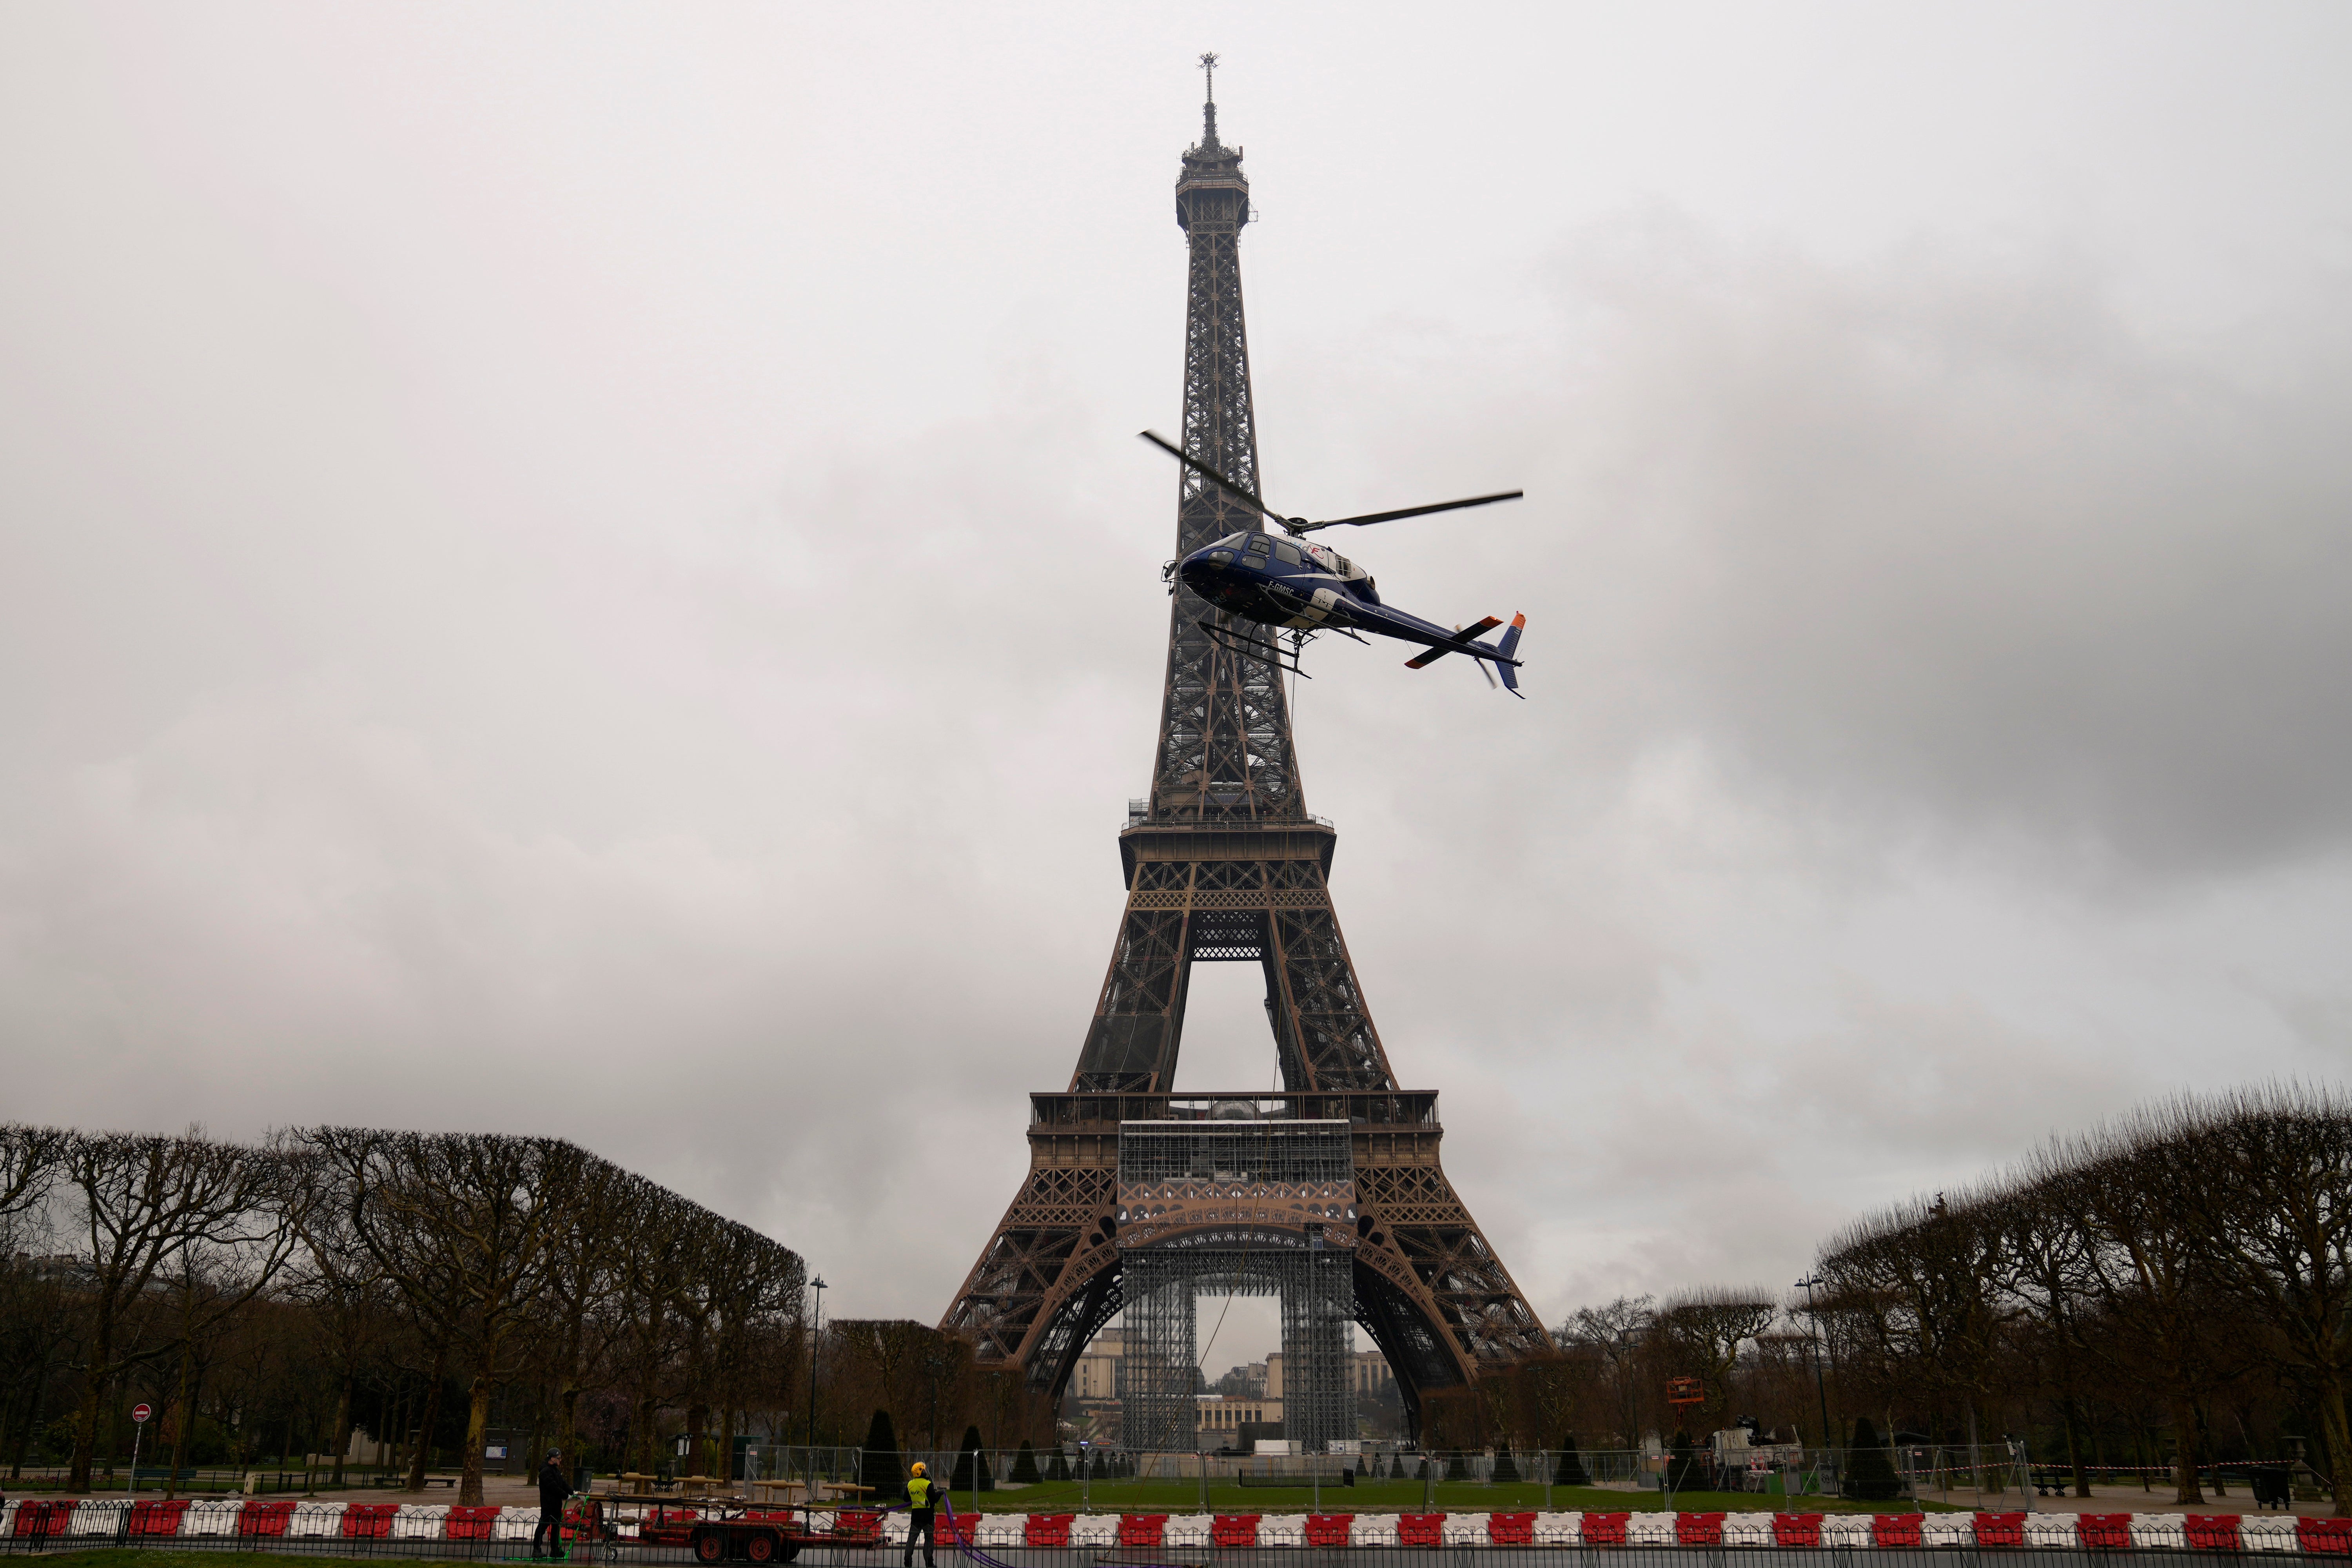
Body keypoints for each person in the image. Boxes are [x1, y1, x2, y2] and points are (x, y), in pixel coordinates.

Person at [902, 1459, 944, 1568]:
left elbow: (906, 1498)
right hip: (928, 1517)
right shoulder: (927, 1484)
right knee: (929, 1539)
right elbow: (933, 1499)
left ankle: (908, 1561)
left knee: (911, 1539)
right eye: (924, 1470)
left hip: (916, 1517)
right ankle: (929, 1562)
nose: (926, 1471)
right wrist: (940, 1493)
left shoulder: (910, 1484)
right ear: (921, 1472)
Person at [533, 1448, 571, 1560]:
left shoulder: (555, 1470)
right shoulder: (546, 1472)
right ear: (552, 1459)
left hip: (556, 1505)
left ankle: (555, 1550)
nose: (560, 1460)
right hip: (548, 1505)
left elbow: (563, 1484)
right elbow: (554, 1487)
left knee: (556, 1528)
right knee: (543, 1526)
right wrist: (566, 1496)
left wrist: (574, 1492)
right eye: (559, 1458)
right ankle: (536, 1549)